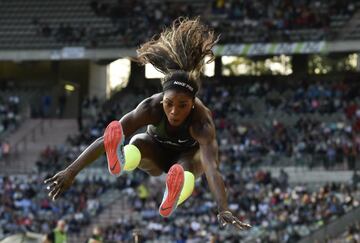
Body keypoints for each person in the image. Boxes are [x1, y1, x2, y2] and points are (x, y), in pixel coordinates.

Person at [44, 17, 251, 230]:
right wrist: (70, 172)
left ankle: (172, 196)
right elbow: (104, 139)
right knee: (139, 141)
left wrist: (223, 207)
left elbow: (212, 169)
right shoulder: (149, 108)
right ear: (162, 99)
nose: (174, 111)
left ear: (192, 103)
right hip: (155, 151)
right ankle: (122, 159)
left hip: (186, 157)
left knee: (187, 165)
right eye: (169, 103)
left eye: (183, 105)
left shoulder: (202, 121)